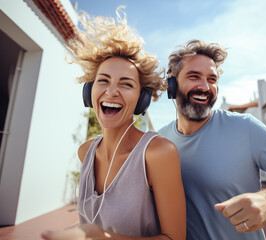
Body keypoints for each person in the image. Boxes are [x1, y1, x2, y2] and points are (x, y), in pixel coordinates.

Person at [42, 9, 186, 240]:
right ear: (90, 92)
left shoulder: (159, 153)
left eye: (126, 84)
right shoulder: (86, 151)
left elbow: (175, 238)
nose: (111, 91)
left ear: (142, 99)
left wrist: (101, 237)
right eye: (103, 81)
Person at [158, 39, 266, 240]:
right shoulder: (160, 142)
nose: (205, 86)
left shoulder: (246, 128)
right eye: (194, 76)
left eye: (212, 79)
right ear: (172, 84)